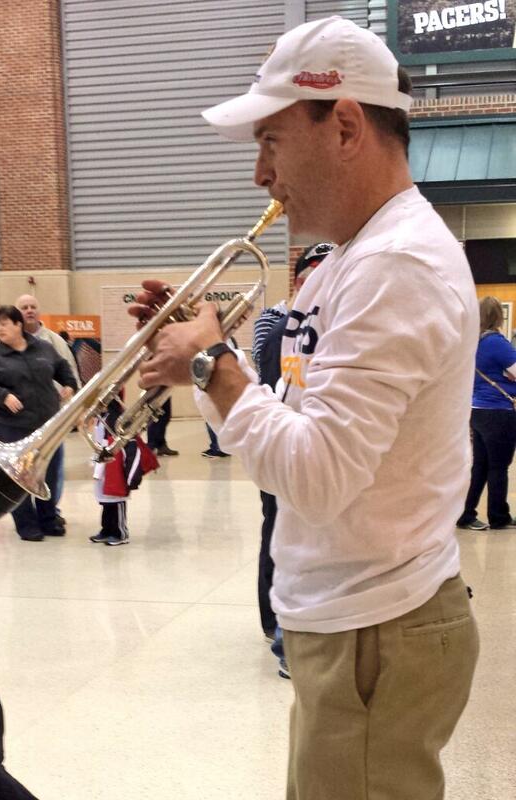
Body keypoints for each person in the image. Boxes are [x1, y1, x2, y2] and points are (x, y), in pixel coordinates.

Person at [129, 17, 480, 799]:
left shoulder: (396, 267)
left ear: (346, 125)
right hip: (355, 625)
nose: (260, 174)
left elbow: (318, 476)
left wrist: (212, 367)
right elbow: (293, 426)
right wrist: (202, 353)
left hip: (375, 632)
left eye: (273, 142)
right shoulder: (349, 261)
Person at [253, 243, 334, 675]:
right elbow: (267, 389)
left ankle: (290, 626)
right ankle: (276, 620)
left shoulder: (344, 323)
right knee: (278, 531)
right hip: (281, 450)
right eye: (310, 276)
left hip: (320, 460)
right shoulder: (279, 329)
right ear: (298, 282)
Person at [0, 306, 77, 542]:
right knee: (17, 478)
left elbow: (62, 368)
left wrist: (70, 384)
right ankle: (26, 524)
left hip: (47, 425)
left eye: (4, 323)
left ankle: (48, 519)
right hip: (13, 428)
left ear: (18, 325)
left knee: (49, 475)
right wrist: (3, 396)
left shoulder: (44, 348)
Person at [15, 295, 81, 524]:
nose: (29, 311)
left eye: (33, 306)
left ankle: (50, 509)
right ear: (17, 313)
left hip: (51, 415)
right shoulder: (6, 343)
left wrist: (71, 393)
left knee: (53, 465)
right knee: (22, 467)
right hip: (19, 417)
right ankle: (26, 513)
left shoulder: (54, 341)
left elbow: (70, 372)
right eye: (24, 308)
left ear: (39, 311)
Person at [457, 296, 516, 531]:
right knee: (498, 466)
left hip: (477, 410)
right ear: (497, 317)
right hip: (499, 411)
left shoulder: (470, 342)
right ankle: (498, 516)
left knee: (480, 465)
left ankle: (465, 514)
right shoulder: (496, 343)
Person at [90, 399, 159, 545]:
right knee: (105, 500)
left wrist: (131, 475)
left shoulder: (117, 419)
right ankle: (106, 529)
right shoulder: (100, 418)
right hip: (102, 462)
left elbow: (130, 446)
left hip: (115, 463)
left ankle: (120, 532)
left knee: (116, 499)